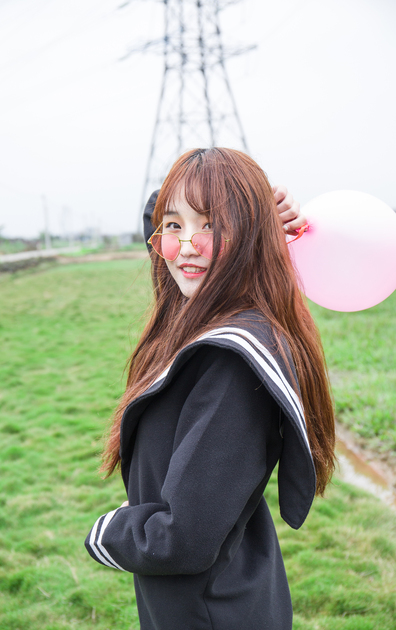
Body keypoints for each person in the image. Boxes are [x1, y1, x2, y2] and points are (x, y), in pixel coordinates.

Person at [85, 148, 335, 630]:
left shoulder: (231, 363)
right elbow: (158, 218)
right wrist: (245, 201)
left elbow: (183, 539)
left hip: (212, 613)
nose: (187, 247)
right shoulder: (210, 306)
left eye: (212, 225)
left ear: (252, 238)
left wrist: (109, 531)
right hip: (218, 593)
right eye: (175, 225)